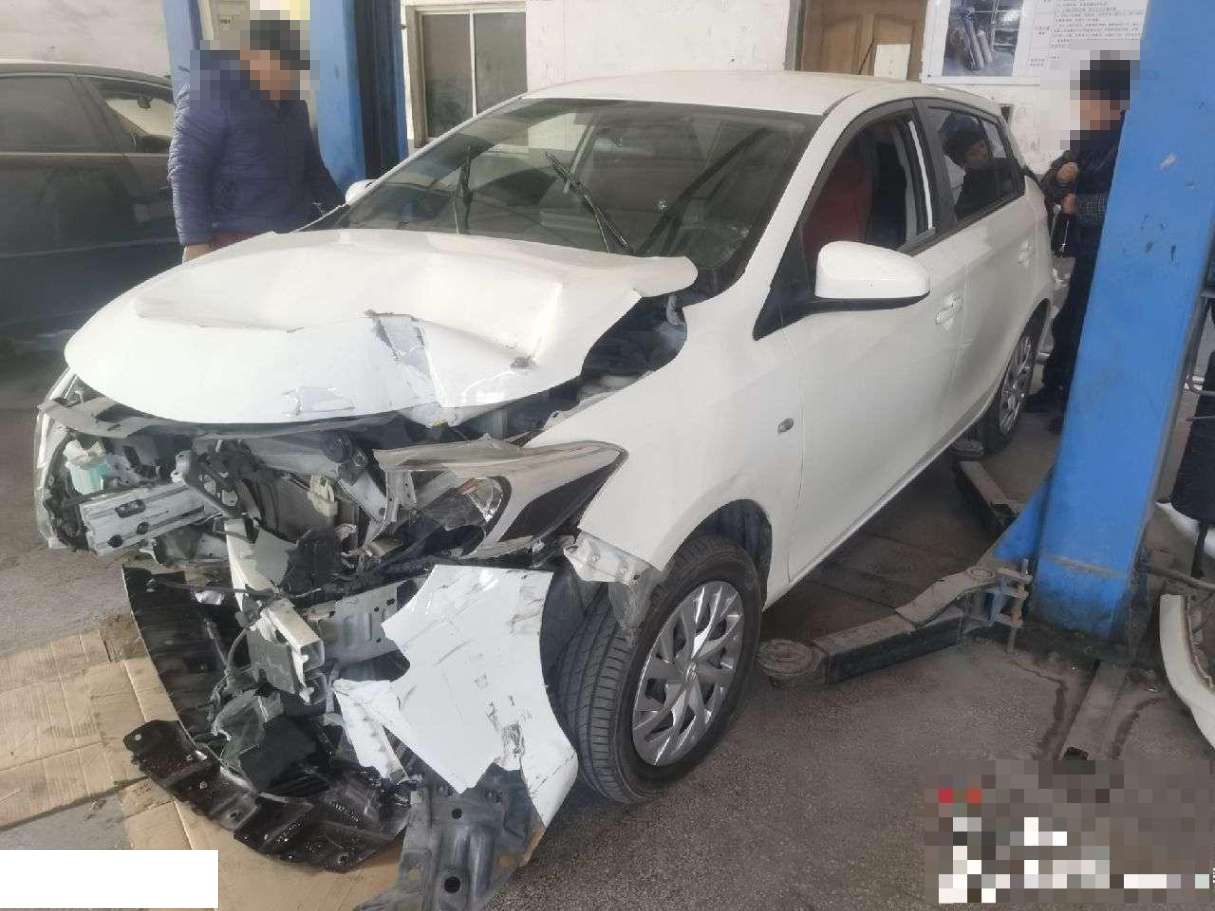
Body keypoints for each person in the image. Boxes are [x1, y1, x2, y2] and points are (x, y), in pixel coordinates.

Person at [168, 16, 341, 263]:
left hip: (294, 233)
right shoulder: (208, 94)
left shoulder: (293, 104)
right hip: (236, 240)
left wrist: (342, 216)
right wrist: (195, 242)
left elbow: (313, 170)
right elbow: (186, 170)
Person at [1026, 57, 1135, 431]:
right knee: (1069, 322)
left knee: (1091, 329)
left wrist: (1079, 205)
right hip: (1084, 250)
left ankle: (1075, 405)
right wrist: (1060, 178)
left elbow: (1129, 202)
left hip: (1114, 254)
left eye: (1094, 98)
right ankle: (1053, 388)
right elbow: (1048, 182)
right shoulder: (1090, 138)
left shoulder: (1132, 142)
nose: (1087, 106)